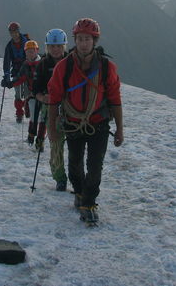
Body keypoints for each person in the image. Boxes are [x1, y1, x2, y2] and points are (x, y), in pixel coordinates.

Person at [47, 18, 124, 226]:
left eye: (87, 39)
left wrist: (120, 130)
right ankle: (80, 192)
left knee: (95, 166)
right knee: (74, 164)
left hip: (99, 123)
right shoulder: (64, 68)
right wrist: (51, 129)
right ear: (75, 40)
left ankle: (89, 203)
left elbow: (115, 99)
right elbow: (54, 100)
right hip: (72, 123)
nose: (83, 43)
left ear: (94, 40)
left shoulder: (107, 67)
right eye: (80, 39)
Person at [34, 28, 69, 191]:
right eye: (52, 46)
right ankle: (60, 177)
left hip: (71, 107)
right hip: (51, 108)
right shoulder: (42, 65)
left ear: (64, 46)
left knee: (75, 144)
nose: (56, 49)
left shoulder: (71, 62)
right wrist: (43, 98)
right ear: (47, 47)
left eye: (59, 46)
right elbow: (36, 89)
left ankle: (75, 176)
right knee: (56, 144)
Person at [8, 40, 44, 145]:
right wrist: (10, 84)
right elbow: (20, 78)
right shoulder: (26, 65)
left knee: (42, 118)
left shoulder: (43, 63)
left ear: (37, 51)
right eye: (28, 51)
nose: (30, 53)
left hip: (43, 95)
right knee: (34, 116)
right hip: (32, 95)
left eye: (32, 51)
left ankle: (39, 140)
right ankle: (31, 137)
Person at [1, 22, 29, 123]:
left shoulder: (27, 42)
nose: (14, 34)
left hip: (27, 70)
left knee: (27, 92)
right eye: (12, 32)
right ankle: (19, 113)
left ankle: (27, 108)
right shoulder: (9, 46)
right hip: (17, 71)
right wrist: (7, 76)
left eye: (15, 31)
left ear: (18, 31)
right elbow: (7, 62)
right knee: (17, 94)